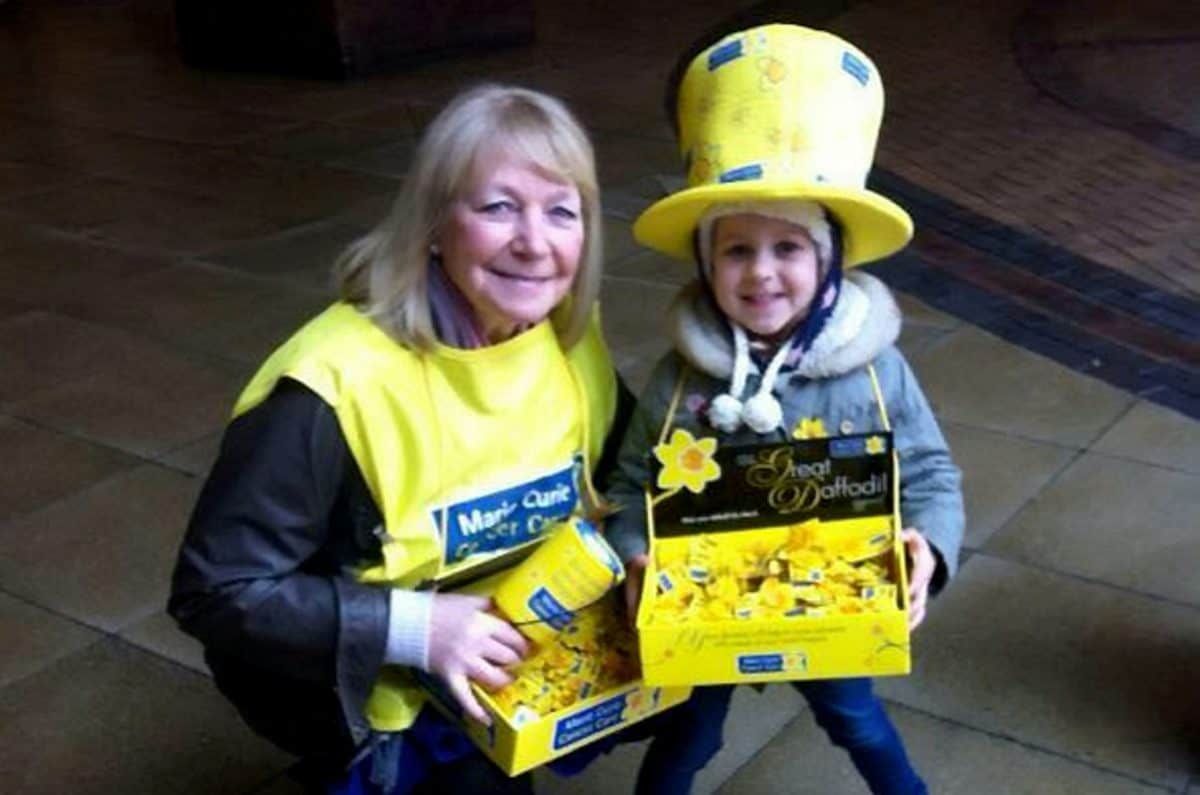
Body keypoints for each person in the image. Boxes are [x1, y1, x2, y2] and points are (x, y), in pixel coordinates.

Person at [168, 83, 634, 794]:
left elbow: (632, 469)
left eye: (561, 211)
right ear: (434, 223)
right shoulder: (329, 385)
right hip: (375, 704)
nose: (534, 242)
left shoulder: (570, 340)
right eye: (498, 206)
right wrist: (417, 627)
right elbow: (218, 589)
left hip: (509, 676)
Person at [602, 25, 965, 795]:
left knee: (857, 721)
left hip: (832, 603)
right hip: (706, 610)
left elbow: (931, 469)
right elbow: (632, 479)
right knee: (688, 732)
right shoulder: (678, 379)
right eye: (736, 251)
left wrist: (927, 548)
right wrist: (636, 551)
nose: (762, 273)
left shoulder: (876, 370)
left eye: (788, 249)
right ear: (707, 264)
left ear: (828, 261)